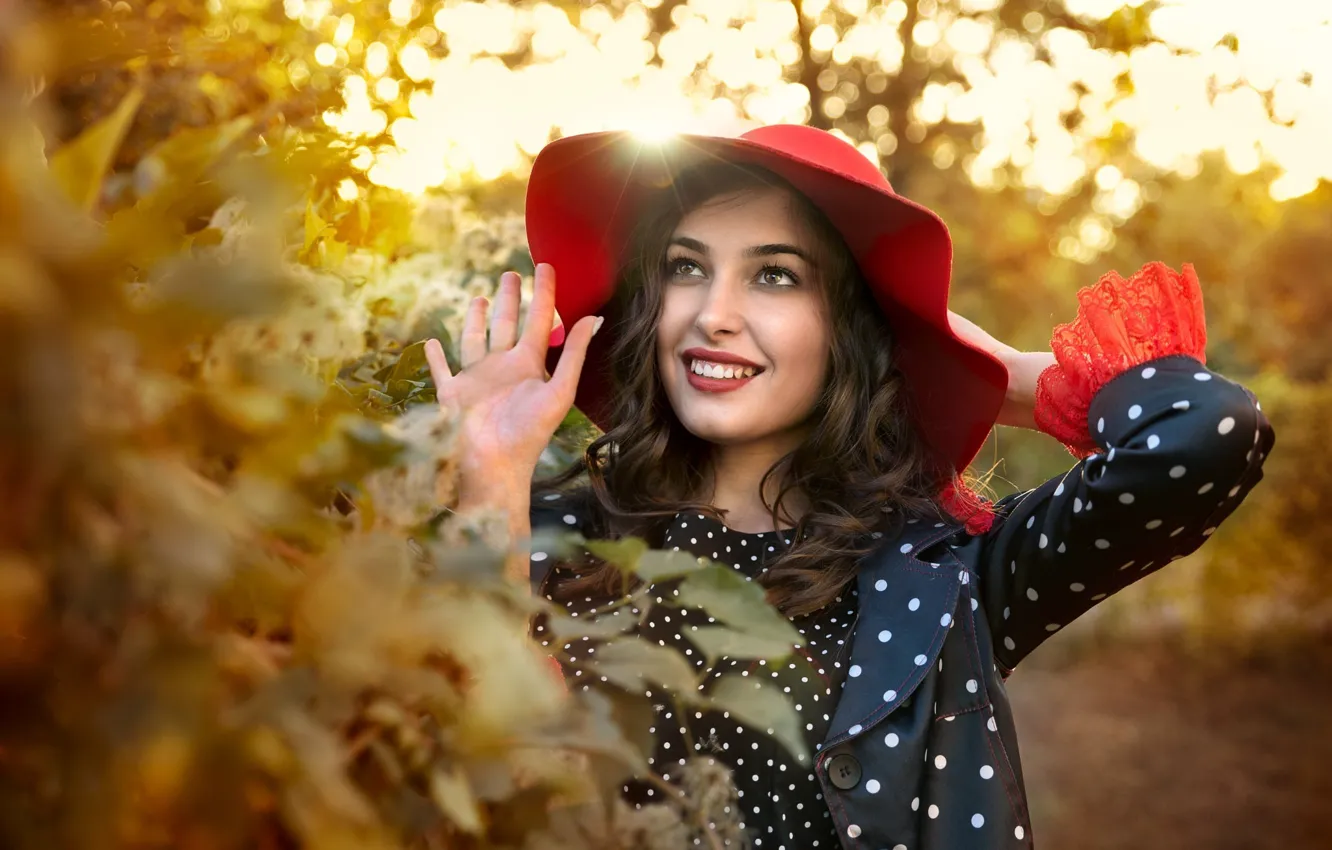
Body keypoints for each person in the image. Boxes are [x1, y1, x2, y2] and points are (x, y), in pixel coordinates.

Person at [423, 125, 1275, 850]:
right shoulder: (542, 527)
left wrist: (1000, 374)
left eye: (775, 275)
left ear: (849, 332)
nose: (712, 312)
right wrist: (488, 483)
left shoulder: (942, 580)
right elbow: (451, 764)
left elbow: (1206, 437)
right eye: (686, 268)